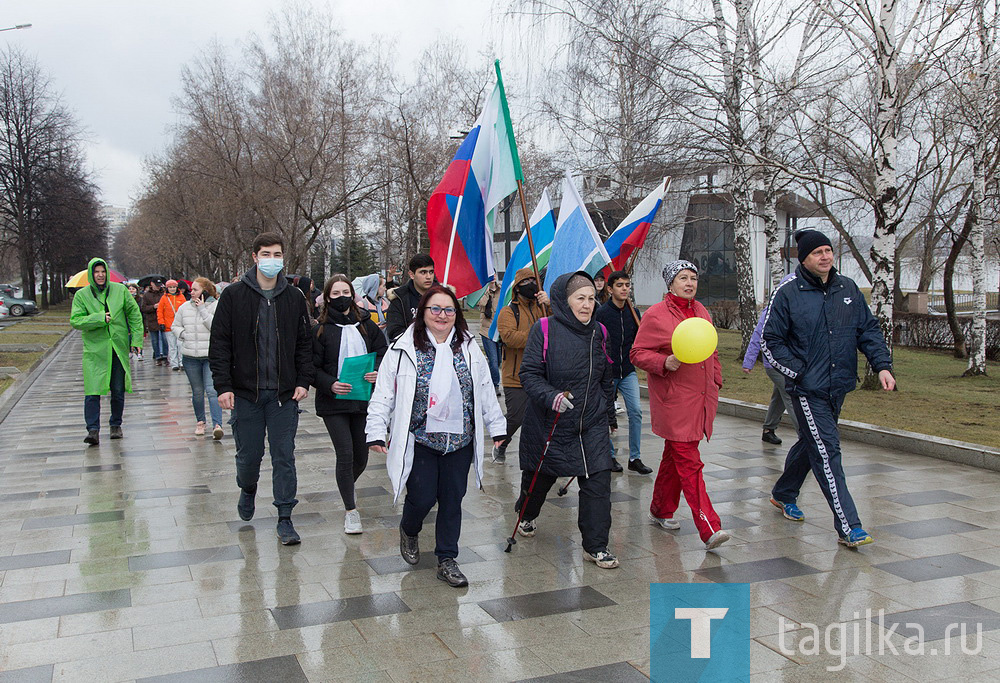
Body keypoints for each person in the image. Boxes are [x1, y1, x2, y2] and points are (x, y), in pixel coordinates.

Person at [763, 229, 895, 548]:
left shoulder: (846, 287)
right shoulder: (788, 292)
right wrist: (800, 373)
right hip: (807, 389)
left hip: (839, 385)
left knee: (814, 442)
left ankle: (783, 493)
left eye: (828, 250)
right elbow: (771, 341)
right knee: (827, 452)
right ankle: (849, 527)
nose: (825, 257)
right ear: (804, 259)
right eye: (817, 252)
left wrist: (882, 365)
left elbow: (868, 330)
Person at [366, 285, 506, 587]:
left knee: (453, 500)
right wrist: (376, 431)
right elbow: (383, 395)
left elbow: (484, 391)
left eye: (449, 310)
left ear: (456, 314)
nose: (442, 315)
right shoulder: (403, 349)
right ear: (423, 313)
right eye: (435, 309)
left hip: (459, 441)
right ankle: (410, 527)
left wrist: (497, 427)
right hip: (421, 441)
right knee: (422, 497)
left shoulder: (469, 347)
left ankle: (447, 558)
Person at [209, 232, 315, 546]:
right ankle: (248, 487)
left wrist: (302, 380)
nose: (272, 260)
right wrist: (223, 386)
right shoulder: (234, 295)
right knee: (249, 457)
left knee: (284, 456)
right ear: (254, 257)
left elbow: (304, 345)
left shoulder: (294, 298)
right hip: (246, 394)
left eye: (277, 254)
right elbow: (220, 344)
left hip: (283, 396)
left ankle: (285, 517)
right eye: (266, 254)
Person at [515, 271, 619, 568]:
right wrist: (552, 397)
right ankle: (526, 514)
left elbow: (605, 378)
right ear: (564, 300)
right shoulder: (544, 329)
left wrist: (609, 416)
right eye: (580, 299)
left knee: (598, 482)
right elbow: (529, 375)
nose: (587, 305)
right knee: (539, 481)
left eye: (591, 298)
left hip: (592, 423)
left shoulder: (600, 332)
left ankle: (596, 545)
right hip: (552, 424)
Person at [631, 260, 730, 551]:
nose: (689, 283)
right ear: (670, 283)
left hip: (700, 399)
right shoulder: (656, 315)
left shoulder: (701, 311)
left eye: (693, 278)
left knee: (674, 458)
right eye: (683, 278)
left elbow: (710, 350)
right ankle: (709, 527)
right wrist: (664, 361)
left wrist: (716, 381)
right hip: (673, 401)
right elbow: (637, 353)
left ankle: (661, 509)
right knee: (689, 462)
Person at [313, 275, 388, 534]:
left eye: (346, 291)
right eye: (336, 293)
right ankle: (350, 510)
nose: (342, 296)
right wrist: (329, 383)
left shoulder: (367, 324)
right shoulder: (320, 328)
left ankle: (345, 484)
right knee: (344, 454)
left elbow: (383, 352)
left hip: (363, 399)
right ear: (328, 297)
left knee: (361, 455)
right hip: (333, 401)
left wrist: (377, 370)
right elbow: (312, 367)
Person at [70, 258, 143, 445]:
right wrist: (99, 318)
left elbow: (134, 314)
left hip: (118, 348)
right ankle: (92, 430)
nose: (100, 275)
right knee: (92, 391)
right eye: (96, 272)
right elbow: (76, 321)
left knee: (118, 390)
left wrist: (136, 339)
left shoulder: (120, 291)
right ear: (90, 274)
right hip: (95, 351)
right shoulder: (82, 295)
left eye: (103, 271)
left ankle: (115, 424)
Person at [596, 270, 652, 475]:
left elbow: (641, 340)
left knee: (635, 411)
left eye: (627, 285)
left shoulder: (634, 312)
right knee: (605, 415)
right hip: (608, 373)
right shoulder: (601, 313)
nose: (625, 289)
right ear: (610, 289)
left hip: (628, 370)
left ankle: (634, 457)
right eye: (620, 285)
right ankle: (609, 456)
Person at [494, 267, 550, 464]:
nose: (532, 285)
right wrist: (538, 336)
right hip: (515, 376)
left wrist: (550, 305)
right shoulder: (508, 311)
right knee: (516, 417)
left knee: (542, 418)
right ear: (517, 288)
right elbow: (509, 338)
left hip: (542, 374)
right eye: (527, 282)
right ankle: (501, 442)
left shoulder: (542, 308)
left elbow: (559, 324)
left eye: (534, 281)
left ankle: (541, 453)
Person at [742, 273, 799, 445]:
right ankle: (807, 437)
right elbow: (758, 334)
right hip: (774, 364)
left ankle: (768, 429)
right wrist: (749, 361)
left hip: (790, 362)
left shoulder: (799, 307)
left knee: (780, 396)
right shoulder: (773, 309)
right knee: (791, 394)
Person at [173, 277, 224, 439]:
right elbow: (175, 325)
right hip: (190, 356)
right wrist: (183, 335)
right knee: (197, 392)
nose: (191, 292)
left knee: (212, 390)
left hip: (210, 356)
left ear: (205, 291)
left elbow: (215, 328)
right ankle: (200, 422)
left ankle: (217, 424)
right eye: (192, 290)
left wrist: (202, 309)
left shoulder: (216, 306)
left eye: (195, 289)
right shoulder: (184, 308)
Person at [385, 254, 435, 341]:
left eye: (431, 272)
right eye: (423, 272)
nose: (428, 277)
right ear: (412, 275)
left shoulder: (443, 296)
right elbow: (394, 331)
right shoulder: (399, 298)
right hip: (410, 349)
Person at [476, 277, 502, 394]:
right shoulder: (483, 291)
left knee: (499, 361)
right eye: (490, 275)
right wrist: (486, 291)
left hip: (499, 331)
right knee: (493, 360)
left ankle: (489, 378)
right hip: (487, 331)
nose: (493, 277)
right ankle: (495, 385)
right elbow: (481, 303)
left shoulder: (501, 290)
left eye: (494, 275)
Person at [157, 279, 187, 371]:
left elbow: (185, 310)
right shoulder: (164, 298)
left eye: (174, 287)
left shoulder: (181, 297)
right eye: (170, 287)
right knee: (172, 346)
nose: (172, 289)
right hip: (168, 326)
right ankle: (174, 363)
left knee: (180, 344)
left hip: (180, 325)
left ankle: (182, 362)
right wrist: (161, 322)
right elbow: (160, 311)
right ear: (167, 288)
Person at [140, 279, 167, 365]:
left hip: (163, 320)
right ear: (152, 284)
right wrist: (153, 307)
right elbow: (143, 308)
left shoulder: (164, 293)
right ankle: (158, 357)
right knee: (155, 340)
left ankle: (165, 356)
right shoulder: (147, 295)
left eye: (159, 285)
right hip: (152, 320)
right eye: (156, 285)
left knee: (165, 339)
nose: (158, 286)